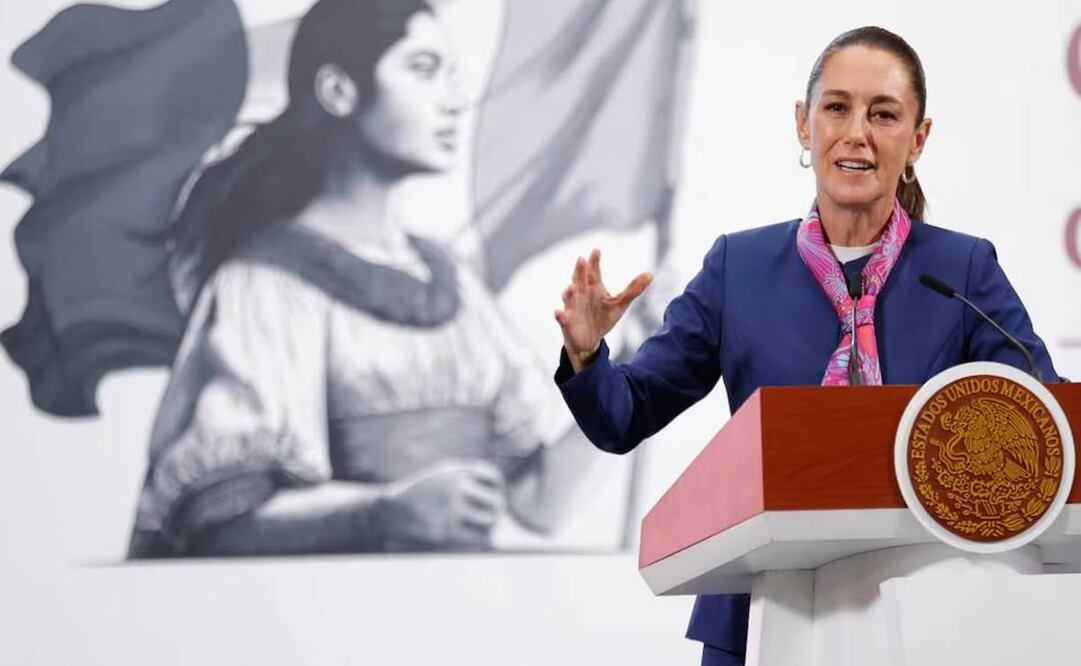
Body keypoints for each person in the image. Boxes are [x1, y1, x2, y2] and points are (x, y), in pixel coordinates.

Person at [552, 26, 1061, 666]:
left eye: (884, 114)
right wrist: (588, 356)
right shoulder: (739, 266)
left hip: (927, 611)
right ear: (803, 124)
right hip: (759, 611)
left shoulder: (961, 270)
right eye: (837, 107)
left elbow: (1040, 413)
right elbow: (626, 414)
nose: (857, 133)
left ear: (918, 139)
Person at [129, 0, 595, 558]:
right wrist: (384, 512)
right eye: (422, 70)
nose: (452, 100)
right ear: (338, 92)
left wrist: (641, 372)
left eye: (450, 73)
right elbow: (219, 520)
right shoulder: (264, 284)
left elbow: (538, 503)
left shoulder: (456, 286)